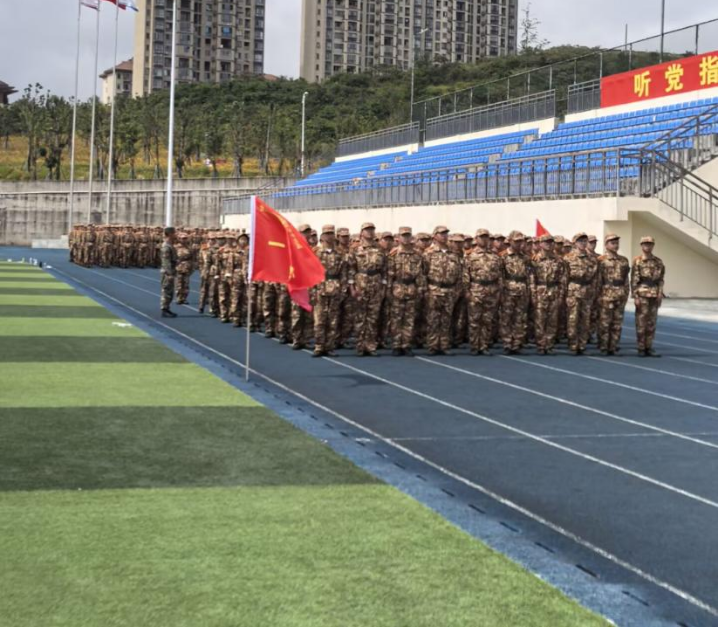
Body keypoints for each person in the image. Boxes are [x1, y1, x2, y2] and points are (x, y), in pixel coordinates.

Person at [423, 226, 463, 356]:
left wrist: (457, 290)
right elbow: (423, 273)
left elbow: (459, 273)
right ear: (435, 236)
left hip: (450, 289)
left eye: (446, 234)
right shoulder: (428, 253)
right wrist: (425, 290)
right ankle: (433, 345)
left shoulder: (454, 254)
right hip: (434, 289)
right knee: (433, 319)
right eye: (441, 234)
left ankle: (444, 345)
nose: (444, 236)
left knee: (446, 320)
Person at [349, 222, 387, 356]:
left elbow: (384, 269)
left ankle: (370, 345)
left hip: (376, 283)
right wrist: (352, 288)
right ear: (361, 233)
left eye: (372, 229)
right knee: (360, 317)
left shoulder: (380, 249)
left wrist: (383, 287)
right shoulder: (355, 249)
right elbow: (351, 269)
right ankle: (360, 346)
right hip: (361, 283)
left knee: (373, 317)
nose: (370, 232)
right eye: (367, 230)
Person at [464, 229, 503, 355]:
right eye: (481, 237)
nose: (484, 239)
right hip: (476, 289)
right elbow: (465, 275)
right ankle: (475, 346)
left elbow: (499, 275)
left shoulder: (495, 256)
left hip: (491, 290)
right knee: (475, 320)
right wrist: (467, 291)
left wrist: (499, 291)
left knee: (487, 320)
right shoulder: (470, 256)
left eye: (486, 237)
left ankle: (484, 345)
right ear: (476, 239)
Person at [387, 227, 425, 356]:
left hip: (411, 288)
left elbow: (420, 274)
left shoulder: (417, 255)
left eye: (408, 236)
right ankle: (396, 345)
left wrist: (420, 288)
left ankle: (407, 344)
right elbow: (389, 274)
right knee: (396, 318)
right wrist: (388, 289)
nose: (406, 238)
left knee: (409, 319)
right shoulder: (393, 254)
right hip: (398, 287)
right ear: (398, 238)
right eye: (403, 236)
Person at [312, 225, 347, 357]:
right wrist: (312, 290)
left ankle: (329, 346)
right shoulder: (316, 252)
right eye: (326, 233)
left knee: (333, 320)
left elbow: (344, 273)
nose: (329, 236)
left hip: (335, 288)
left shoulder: (340, 253)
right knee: (319, 319)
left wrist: (343, 290)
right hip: (320, 288)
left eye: (331, 233)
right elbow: (311, 272)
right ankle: (319, 346)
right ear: (322, 236)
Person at [564, 233, 599, 355]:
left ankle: (582, 345)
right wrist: (565, 294)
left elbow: (595, 278)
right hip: (573, 291)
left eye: (585, 241)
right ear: (575, 243)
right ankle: (573, 344)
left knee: (585, 320)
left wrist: (594, 292)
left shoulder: (592, 259)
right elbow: (564, 277)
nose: (583, 243)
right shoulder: (568, 258)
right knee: (573, 319)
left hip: (587, 291)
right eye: (580, 241)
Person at [530, 233, 565, 355]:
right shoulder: (535, 260)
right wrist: (533, 295)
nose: (548, 244)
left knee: (552, 320)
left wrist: (561, 295)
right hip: (540, 291)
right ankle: (541, 345)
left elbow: (562, 279)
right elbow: (531, 279)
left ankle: (549, 345)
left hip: (554, 291)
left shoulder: (559, 260)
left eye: (550, 242)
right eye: (546, 242)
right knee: (540, 320)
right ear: (540, 244)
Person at [631, 236, 665, 357]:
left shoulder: (658, 262)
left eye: (650, 244)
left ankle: (648, 347)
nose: (647, 246)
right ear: (641, 246)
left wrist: (660, 293)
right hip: (642, 294)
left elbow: (660, 280)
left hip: (654, 294)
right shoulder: (637, 261)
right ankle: (641, 347)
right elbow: (634, 280)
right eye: (645, 244)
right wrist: (635, 296)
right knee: (641, 321)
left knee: (652, 322)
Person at [597, 233, 630, 355]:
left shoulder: (623, 260)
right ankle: (604, 346)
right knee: (605, 322)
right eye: (612, 243)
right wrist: (598, 296)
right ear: (606, 245)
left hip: (620, 294)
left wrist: (626, 294)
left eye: (616, 243)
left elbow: (626, 280)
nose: (615, 245)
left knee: (617, 323)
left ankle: (613, 346)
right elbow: (598, 280)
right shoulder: (601, 260)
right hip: (606, 294)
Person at [500, 232, 531, 354]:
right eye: (516, 241)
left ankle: (517, 344)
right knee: (507, 318)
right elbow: (500, 275)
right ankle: (507, 343)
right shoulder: (503, 257)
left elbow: (529, 275)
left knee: (520, 318)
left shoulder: (525, 258)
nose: (519, 244)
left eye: (520, 241)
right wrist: (501, 291)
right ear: (510, 241)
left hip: (522, 290)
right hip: (508, 290)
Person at [160, 226, 178, 318]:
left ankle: (167, 308)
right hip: (167, 273)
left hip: (171, 271)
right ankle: (164, 309)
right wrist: (170, 273)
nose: (176, 234)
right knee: (166, 291)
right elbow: (166, 261)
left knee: (170, 291)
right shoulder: (166, 246)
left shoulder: (170, 245)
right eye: (174, 233)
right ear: (170, 234)